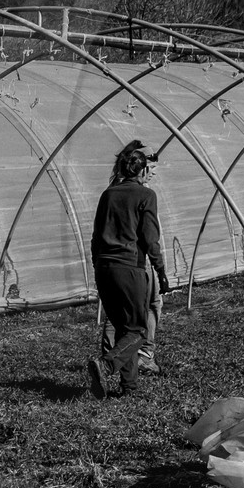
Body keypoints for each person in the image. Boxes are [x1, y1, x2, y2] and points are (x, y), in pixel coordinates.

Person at [88, 140, 170, 399]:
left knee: (124, 329)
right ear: (143, 171)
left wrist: (97, 264)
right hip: (129, 270)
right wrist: (161, 271)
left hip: (104, 268)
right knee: (137, 330)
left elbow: (95, 235)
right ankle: (106, 364)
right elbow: (149, 239)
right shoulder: (146, 196)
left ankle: (129, 389)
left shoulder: (108, 194)